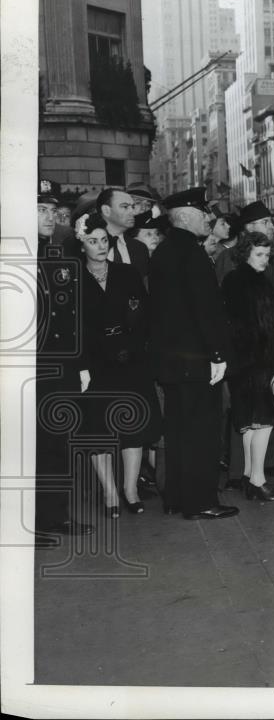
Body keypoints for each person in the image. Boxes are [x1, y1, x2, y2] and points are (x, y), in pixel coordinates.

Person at [148, 187, 237, 520]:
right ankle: (201, 501)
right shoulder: (192, 254)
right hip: (197, 360)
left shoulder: (164, 252)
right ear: (186, 216)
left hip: (172, 362)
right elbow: (205, 310)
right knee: (201, 432)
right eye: (204, 213)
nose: (210, 218)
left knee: (178, 431)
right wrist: (217, 353)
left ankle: (177, 498)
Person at [75, 212, 162, 516]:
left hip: (130, 359)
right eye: (92, 241)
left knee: (133, 425)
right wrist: (83, 362)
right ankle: (110, 492)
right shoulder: (74, 277)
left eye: (104, 240)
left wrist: (135, 348)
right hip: (96, 363)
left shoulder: (127, 274)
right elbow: (74, 325)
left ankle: (130, 489)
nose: (100, 246)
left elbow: (146, 315)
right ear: (81, 243)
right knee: (99, 428)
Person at [34, 184, 95, 546]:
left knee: (57, 444)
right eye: (40, 209)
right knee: (28, 449)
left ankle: (54, 516)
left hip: (59, 370)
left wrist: (81, 364)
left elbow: (71, 315)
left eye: (51, 210)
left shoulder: (54, 254)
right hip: (28, 373)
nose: (49, 217)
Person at [221, 231, 274, 502]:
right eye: (259, 254)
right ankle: (258, 480)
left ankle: (249, 475)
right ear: (245, 252)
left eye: (266, 255)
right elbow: (260, 326)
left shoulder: (232, 280)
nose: (264, 260)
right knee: (264, 421)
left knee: (248, 422)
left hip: (241, 361)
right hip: (259, 360)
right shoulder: (256, 282)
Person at [215, 201, 274, 285]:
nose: (272, 226)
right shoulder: (228, 257)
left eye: (271, 222)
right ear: (250, 227)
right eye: (265, 222)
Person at [95, 187, 149, 279]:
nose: (133, 212)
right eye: (125, 207)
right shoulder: (82, 245)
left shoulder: (139, 248)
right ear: (106, 210)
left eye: (132, 207)